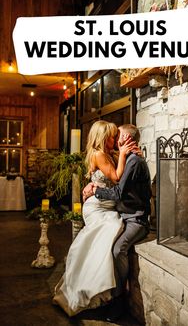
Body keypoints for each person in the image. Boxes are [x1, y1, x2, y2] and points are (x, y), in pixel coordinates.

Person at [53, 120, 138, 316]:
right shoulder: (99, 154)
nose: (114, 139)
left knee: (100, 241)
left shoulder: (108, 154)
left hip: (106, 204)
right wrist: (124, 154)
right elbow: (116, 178)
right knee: (109, 231)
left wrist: (129, 153)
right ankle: (97, 289)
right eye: (111, 136)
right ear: (102, 137)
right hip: (98, 208)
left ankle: (99, 288)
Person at [83, 124, 151, 321]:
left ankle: (119, 299)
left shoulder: (134, 161)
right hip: (123, 215)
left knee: (116, 249)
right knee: (104, 246)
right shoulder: (127, 158)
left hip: (136, 219)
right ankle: (105, 295)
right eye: (113, 137)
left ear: (127, 139)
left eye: (118, 136)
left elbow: (118, 193)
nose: (115, 139)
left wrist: (95, 190)